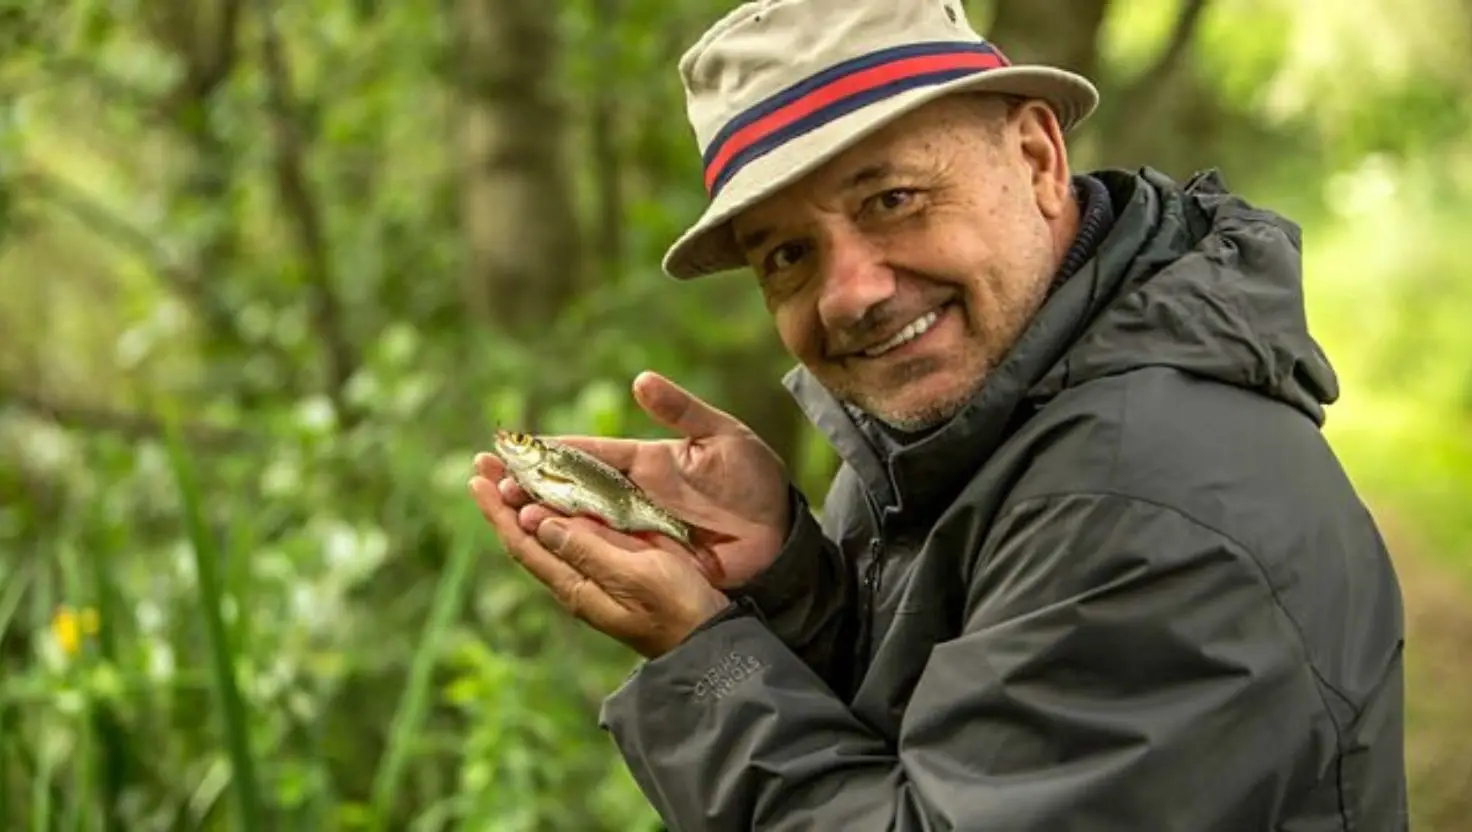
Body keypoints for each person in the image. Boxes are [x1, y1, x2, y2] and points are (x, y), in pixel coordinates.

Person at [468, 0, 1410, 828]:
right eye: (787, 255)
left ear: (1037, 159)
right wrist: (790, 578)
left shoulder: (1142, 504)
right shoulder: (965, 437)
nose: (850, 293)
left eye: (893, 198)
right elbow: (939, 735)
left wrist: (701, 657)